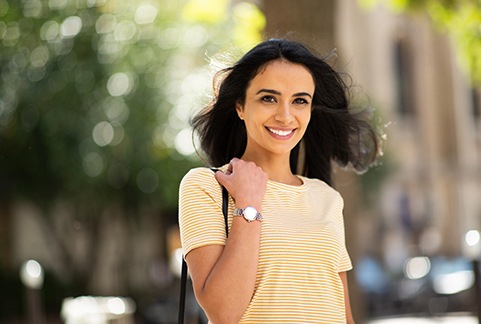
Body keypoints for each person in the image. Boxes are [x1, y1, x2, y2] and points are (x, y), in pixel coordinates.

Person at [178, 38, 381, 323]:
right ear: (239, 106)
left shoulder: (326, 198)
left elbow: (341, 312)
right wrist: (248, 202)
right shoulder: (206, 187)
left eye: (300, 101)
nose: (285, 116)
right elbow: (223, 312)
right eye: (268, 98)